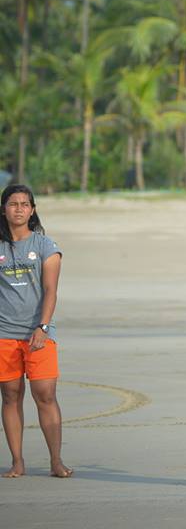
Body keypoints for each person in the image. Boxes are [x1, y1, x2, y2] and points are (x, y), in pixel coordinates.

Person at [0, 184, 71, 479]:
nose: (19, 209)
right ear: (3, 209)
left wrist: (42, 326)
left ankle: (56, 461)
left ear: (32, 210)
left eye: (24, 204)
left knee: (45, 395)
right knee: (10, 396)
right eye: (13, 203)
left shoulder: (45, 246)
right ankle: (17, 461)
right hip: (4, 333)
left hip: (38, 333)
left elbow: (51, 291)